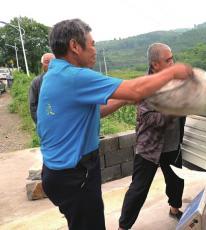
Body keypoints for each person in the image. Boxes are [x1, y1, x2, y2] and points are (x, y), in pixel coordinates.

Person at [38, 19, 192, 230]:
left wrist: (125, 99)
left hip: (61, 172)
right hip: (75, 173)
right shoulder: (75, 76)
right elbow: (136, 90)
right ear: (75, 46)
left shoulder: (55, 73)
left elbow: (98, 111)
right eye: (92, 44)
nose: (95, 50)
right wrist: (173, 74)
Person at [118, 43, 186, 230]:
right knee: (139, 189)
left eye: (173, 58)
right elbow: (149, 119)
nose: (173, 63)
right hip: (149, 148)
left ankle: (174, 208)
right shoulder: (145, 87)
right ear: (155, 64)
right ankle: (124, 226)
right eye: (168, 60)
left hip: (172, 145)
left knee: (176, 181)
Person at [29, 53, 55, 123]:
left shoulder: (63, 80)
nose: (50, 64)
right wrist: (39, 123)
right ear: (42, 64)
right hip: (44, 122)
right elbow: (33, 105)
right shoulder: (36, 82)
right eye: (46, 62)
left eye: (52, 62)